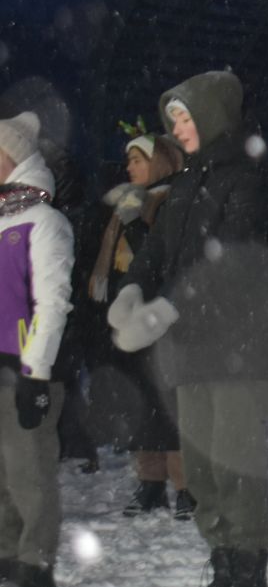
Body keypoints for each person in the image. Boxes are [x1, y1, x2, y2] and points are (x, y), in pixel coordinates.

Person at [113, 72, 268, 587]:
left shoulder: (247, 181)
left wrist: (168, 306)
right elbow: (159, 249)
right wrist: (131, 290)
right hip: (190, 351)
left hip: (240, 347)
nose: (179, 129)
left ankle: (248, 582)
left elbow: (228, 260)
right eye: (174, 121)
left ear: (214, 116)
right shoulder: (187, 183)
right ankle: (221, 567)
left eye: (187, 117)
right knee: (202, 468)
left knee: (234, 463)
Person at [91, 134, 191, 518]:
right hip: (130, 312)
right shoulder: (129, 202)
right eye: (128, 160)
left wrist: (134, 223)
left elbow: (162, 255)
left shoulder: (173, 200)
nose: (130, 167)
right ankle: (150, 483)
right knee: (141, 402)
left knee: (171, 403)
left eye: (138, 159)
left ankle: (186, 486)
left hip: (163, 314)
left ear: (161, 162)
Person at [0, 113, 75, 587]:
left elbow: (53, 301)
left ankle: (35, 561)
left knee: (29, 469)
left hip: (26, 366)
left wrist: (37, 373)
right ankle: (7, 552)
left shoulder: (43, 222)